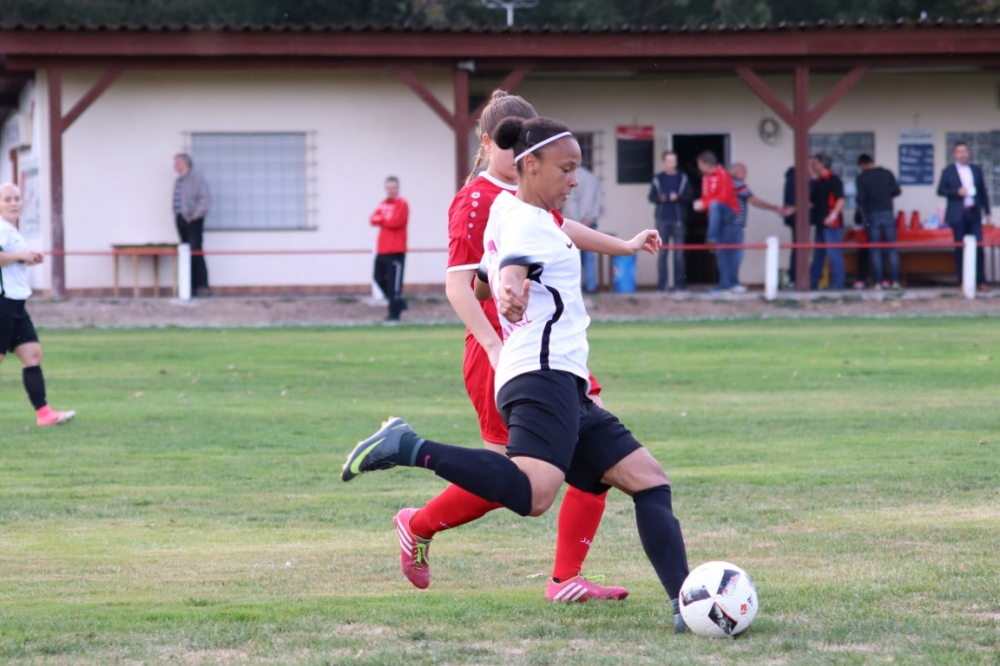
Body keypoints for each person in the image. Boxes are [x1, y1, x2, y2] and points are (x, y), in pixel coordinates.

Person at [343, 116, 691, 634]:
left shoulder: (513, 211)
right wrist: (511, 290)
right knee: (534, 494)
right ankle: (409, 447)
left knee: (648, 479)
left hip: (560, 379)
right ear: (531, 165)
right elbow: (507, 275)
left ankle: (687, 604)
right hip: (541, 375)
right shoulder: (526, 224)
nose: (575, 180)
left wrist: (620, 247)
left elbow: (488, 279)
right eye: (566, 169)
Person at [399, 90, 624, 602]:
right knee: (514, 480)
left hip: (551, 352)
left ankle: (566, 578)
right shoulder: (477, 199)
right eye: (510, 143)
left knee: (599, 454)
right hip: (502, 354)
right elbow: (459, 286)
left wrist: (625, 245)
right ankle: (418, 524)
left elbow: (565, 230)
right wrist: (492, 345)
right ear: (486, 144)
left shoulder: (530, 197)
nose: (521, 152)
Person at [0, 183, 75, 426]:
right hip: (3, 303)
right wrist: (19, 255)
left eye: (17, 198)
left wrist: (29, 259)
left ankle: (44, 414)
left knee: (32, 355)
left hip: (17, 304)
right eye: (7, 199)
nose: (14, 203)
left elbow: (11, 262)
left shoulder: (11, 229)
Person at [937, 141, 991, 290]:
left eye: (964, 151)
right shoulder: (948, 171)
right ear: (955, 154)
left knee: (978, 247)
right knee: (960, 248)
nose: (962, 154)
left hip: (974, 213)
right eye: (959, 151)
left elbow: (983, 191)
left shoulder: (976, 170)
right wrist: (956, 192)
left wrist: (987, 211)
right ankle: (962, 281)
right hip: (958, 215)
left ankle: (981, 281)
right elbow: (940, 190)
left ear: (968, 153)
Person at [728, 163, 784, 293]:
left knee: (730, 254)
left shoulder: (727, 184)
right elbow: (754, 201)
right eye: (743, 172)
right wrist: (773, 208)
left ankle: (729, 282)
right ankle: (733, 283)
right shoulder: (738, 184)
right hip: (735, 224)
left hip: (729, 224)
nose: (745, 175)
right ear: (736, 173)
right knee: (736, 254)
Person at [692, 151, 740, 293]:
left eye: (700, 165)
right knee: (721, 251)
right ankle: (725, 284)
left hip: (729, 213)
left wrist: (705, 204)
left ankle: (710, 237)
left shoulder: (723, 174)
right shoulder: (705, 178)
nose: (699, 168)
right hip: (716, 217)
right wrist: (701, 203)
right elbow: (705, 196)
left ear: (707, 164)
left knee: (714, 205)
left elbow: (723, 198)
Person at [855, 154, 902, 289]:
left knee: (875, 248)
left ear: (862, 165)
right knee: (892, 248)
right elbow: (897, 191)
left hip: (871, 215)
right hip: (888, 213)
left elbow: (860, 199)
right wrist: (885, 195)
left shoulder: (862, 177)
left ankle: (878, 282)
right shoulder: (887, 173)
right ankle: (895, 281)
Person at [649, 151, 692, 292]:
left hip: (678, 220)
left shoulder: (683, 178)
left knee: (679, 255)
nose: (672, 164)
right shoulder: (658, 178)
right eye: (669, 161)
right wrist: (659, 198)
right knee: (662, 254)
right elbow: (651, 197)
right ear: (664, 162)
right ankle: (662, 286)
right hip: (662, 220)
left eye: (674, 161)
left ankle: (680, 286)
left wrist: (678, 197)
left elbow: (689, 197)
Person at [369, 176, 409, 321]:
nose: (391, 190)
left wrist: (383, 219)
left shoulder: (402, 204)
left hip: (396, 250)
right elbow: (372, 219)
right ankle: (398, 304)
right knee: (378, 277)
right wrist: (385, 218)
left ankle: (394, 314)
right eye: (388, 188)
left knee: (394, 285)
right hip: (382, 249)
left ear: (398, 188)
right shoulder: (383, 204)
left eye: (393, 188)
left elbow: (395, 222)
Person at [172, 153, 211, 297]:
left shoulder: (195, 177)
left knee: (195, 251)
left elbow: (204, 198)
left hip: (193, 220)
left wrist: (196, 214)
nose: (175, 165)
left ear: (185, 163)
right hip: (181, 219)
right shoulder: (179, 180)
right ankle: (188, 287)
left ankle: (201, 286)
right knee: (185, 252)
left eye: (177, 162)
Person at [808, 154, 847, 290]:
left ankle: (838, 284)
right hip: (819, 223)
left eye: (815, 163)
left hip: (831, 224)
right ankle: (812, 283)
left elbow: (841, 199)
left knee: (833, 253)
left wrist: (832, 216)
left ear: (822, 164)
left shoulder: (834, 180)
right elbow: (812, 202)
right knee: (818, 254)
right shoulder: (818, 182)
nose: (813, 165)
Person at [562, 164, 602, 293]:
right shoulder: (593, 178)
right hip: (590, 222)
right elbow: (598, 201)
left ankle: (576, 287)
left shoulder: (571, 177)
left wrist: (576, 221)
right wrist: (590, 218)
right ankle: (591, 286)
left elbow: (571, 201)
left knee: (573, 254)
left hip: (574, 222)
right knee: (590, 254)